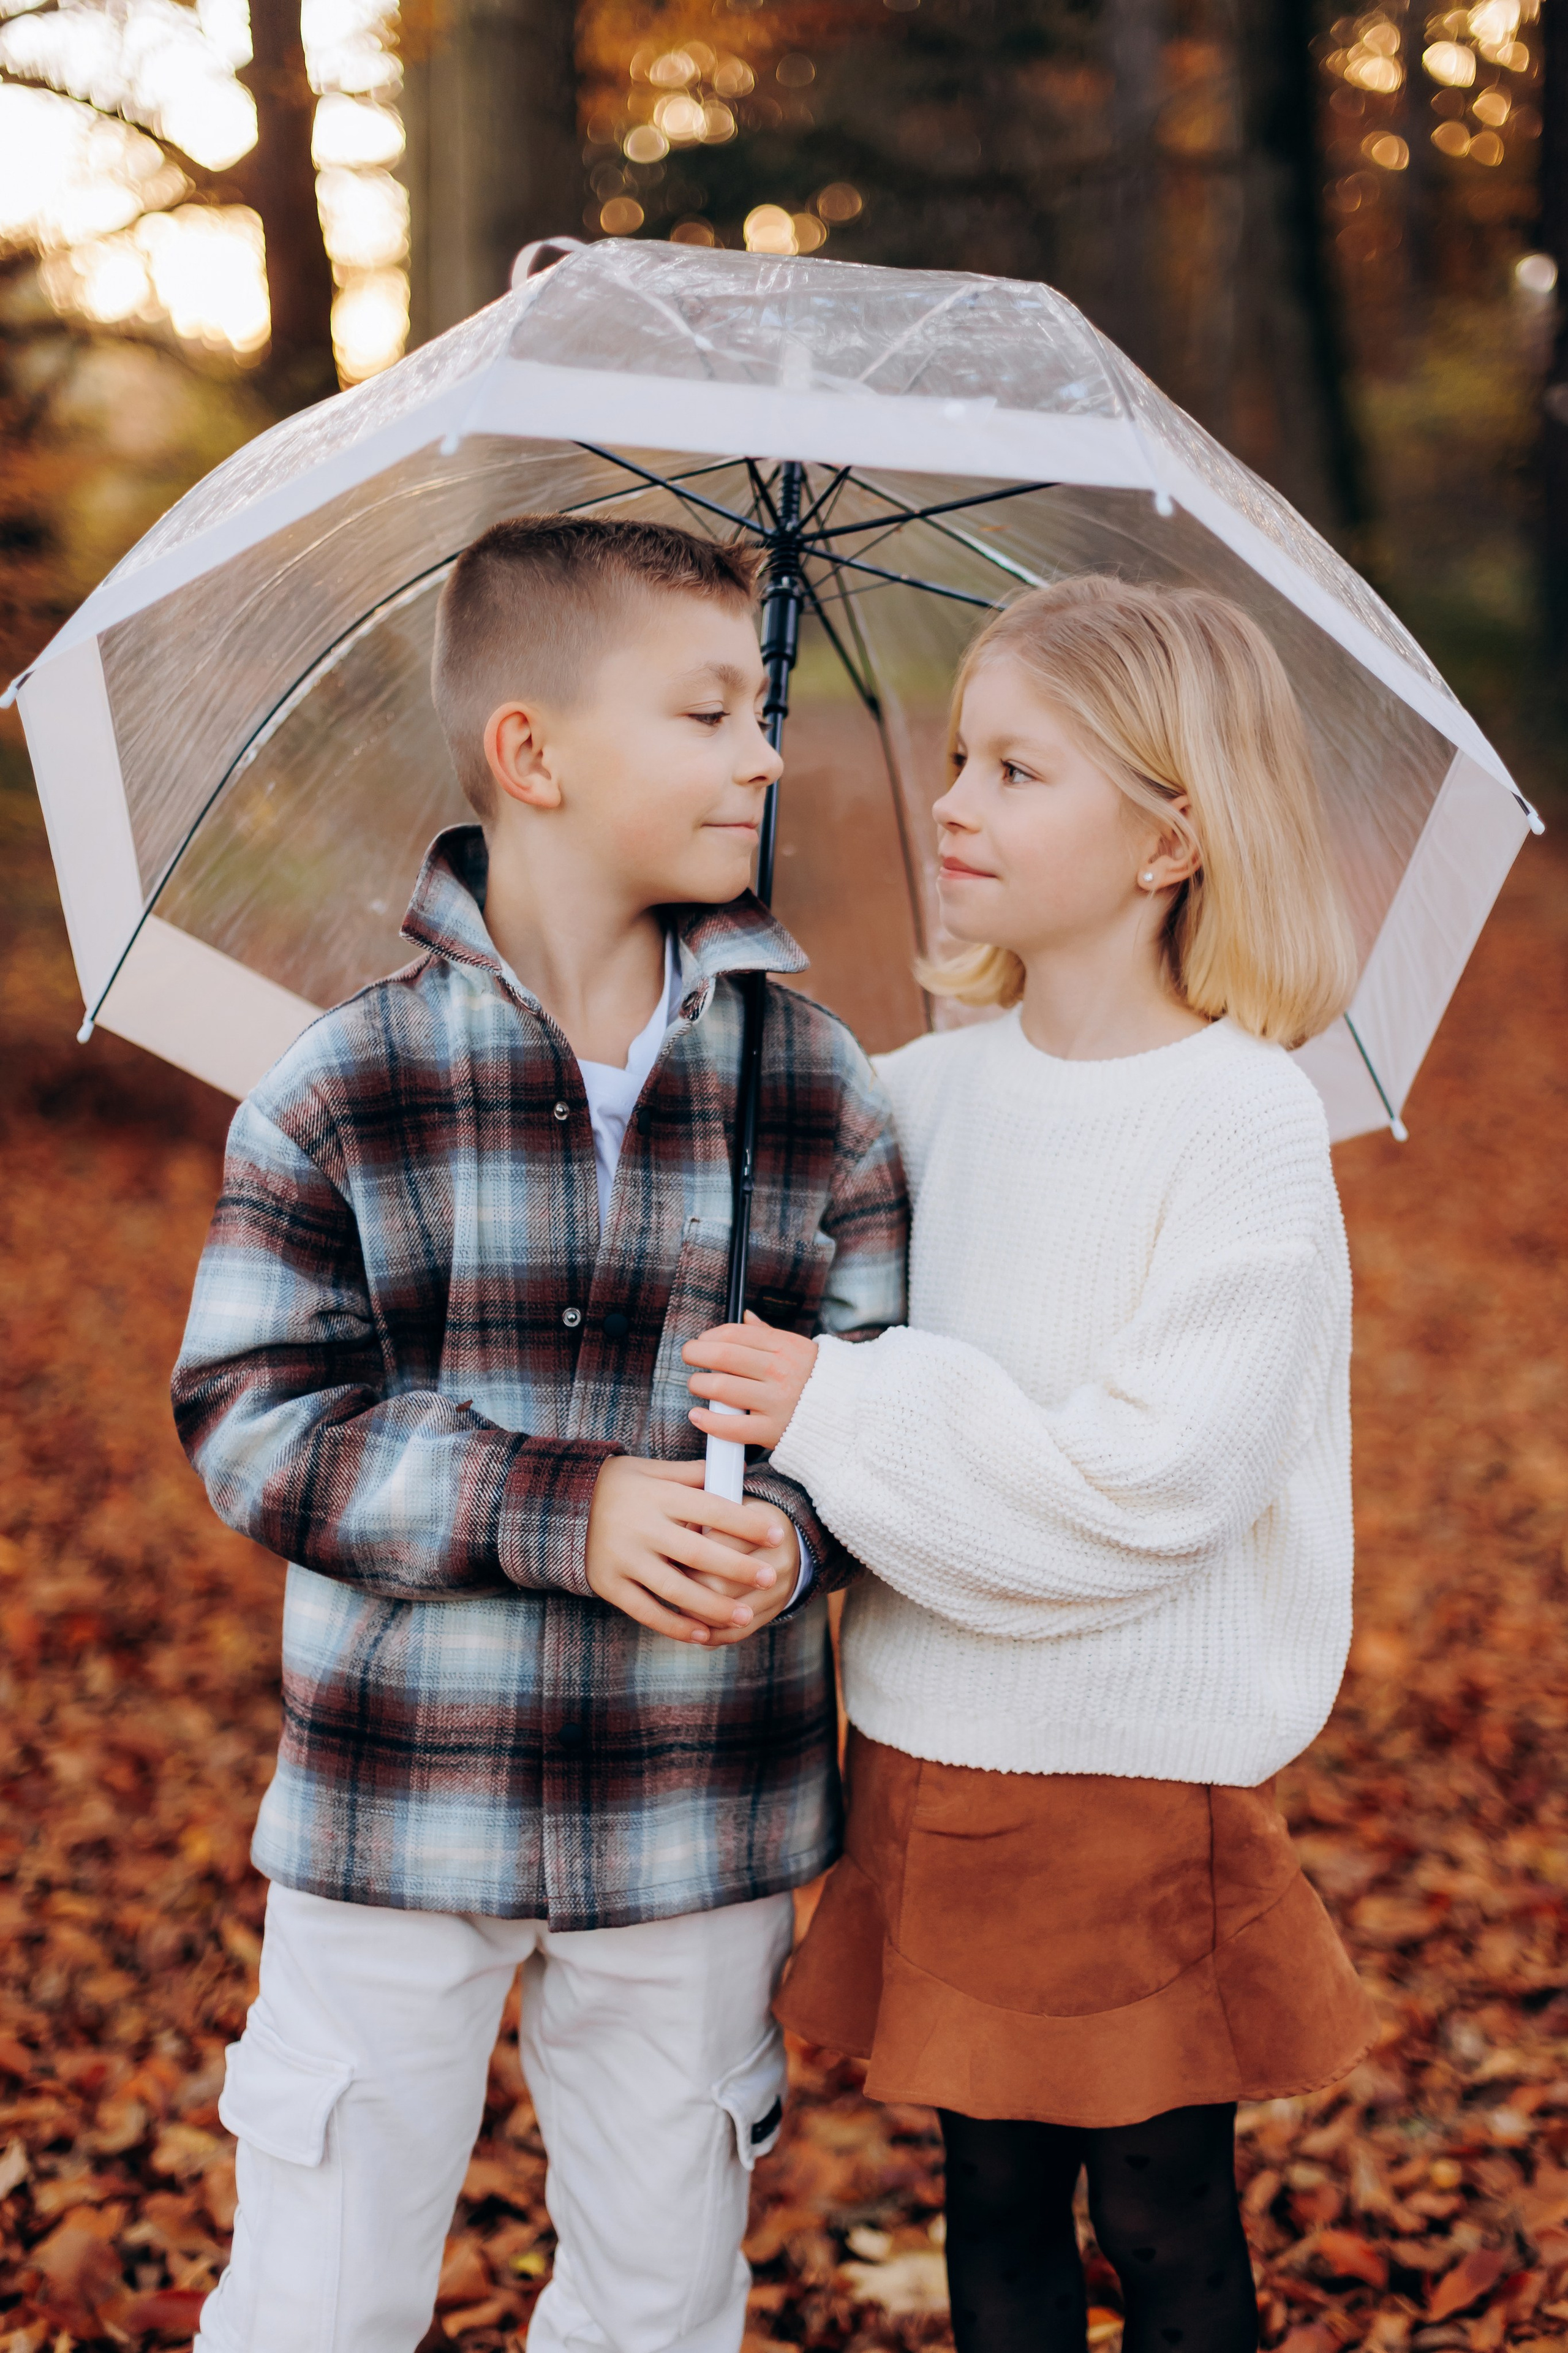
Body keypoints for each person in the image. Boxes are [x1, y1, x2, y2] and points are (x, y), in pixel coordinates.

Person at [170, 515, 907, 2353]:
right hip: (399, 1803)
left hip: (697, 1812)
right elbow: (257, 1420)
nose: (763, 750)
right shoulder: (342, 1086)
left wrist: (794, 1530)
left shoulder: (813, 1091)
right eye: (709, 709)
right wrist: (555, 1511)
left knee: (659, 2302)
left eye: (763, 704)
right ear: (534, 751)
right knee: (320, 2299)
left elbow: (887, 1401)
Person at [683, 575, 1378, 2353]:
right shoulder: (918, 1096)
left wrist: (843, 1403)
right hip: (937, 1749)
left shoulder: (1243, 1123)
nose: (956, 801)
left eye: (1017, 769)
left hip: (1131, 1780)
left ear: (1171, 840)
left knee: (1159, 2207)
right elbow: (798, 1338)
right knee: (988, 2197)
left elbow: (1148, 1489)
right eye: (963, 757)